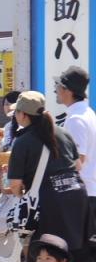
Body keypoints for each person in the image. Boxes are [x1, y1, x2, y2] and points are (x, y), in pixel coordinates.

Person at [6, 91, 96, 262]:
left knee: (43, 254)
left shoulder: (23, 140)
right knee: (78, 252)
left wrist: (22, 193)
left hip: (48, 203)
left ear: (23, 115)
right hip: (77, 199)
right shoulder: (63, 133)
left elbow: (15, 185)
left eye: (16, 112)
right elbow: (77, 165)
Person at [55, 67, 96, 248]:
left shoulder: (76, 120)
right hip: (88, 191)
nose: (56, 90)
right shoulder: (86, 114)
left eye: (58, 86)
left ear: (67, 91)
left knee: (79, 254)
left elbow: (77, 161)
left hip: (81, 194)